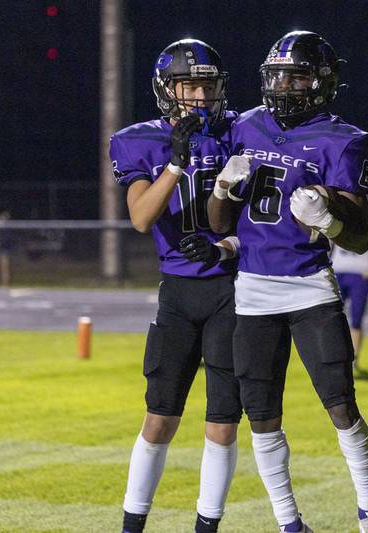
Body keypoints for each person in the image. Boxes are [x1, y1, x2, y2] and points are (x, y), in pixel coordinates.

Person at [208, 31, 368, 533]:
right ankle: (289, 522)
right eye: (278, 75)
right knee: (261, 413)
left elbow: (360, 240)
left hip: (310, 286)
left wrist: (328, 221)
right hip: (252, 291)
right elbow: (219, 223)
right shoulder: (243, 127)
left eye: (297, 75)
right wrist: (222, 186)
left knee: (341, 405)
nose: (284, 85)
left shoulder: (343, 139)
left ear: (323, 82)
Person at [110, 39, 242, 533]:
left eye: (208, 86)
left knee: (223, 425)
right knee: (159, 418)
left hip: (231, 289)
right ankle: (132, 526)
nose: (201, 96)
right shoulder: (138, 140)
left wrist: (225, 247)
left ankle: (206, 527)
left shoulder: (238, 133)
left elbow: (252, 222)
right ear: (168, 90)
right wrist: (176, 161)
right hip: (178, 293)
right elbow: (142, 217)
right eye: (190, 85)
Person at [330, 205, 368, 371]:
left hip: (359, 274)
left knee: (356, 319)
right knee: (333, 317)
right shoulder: (339, 210)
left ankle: (354, 359)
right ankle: (336, 355)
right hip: (338, 271)